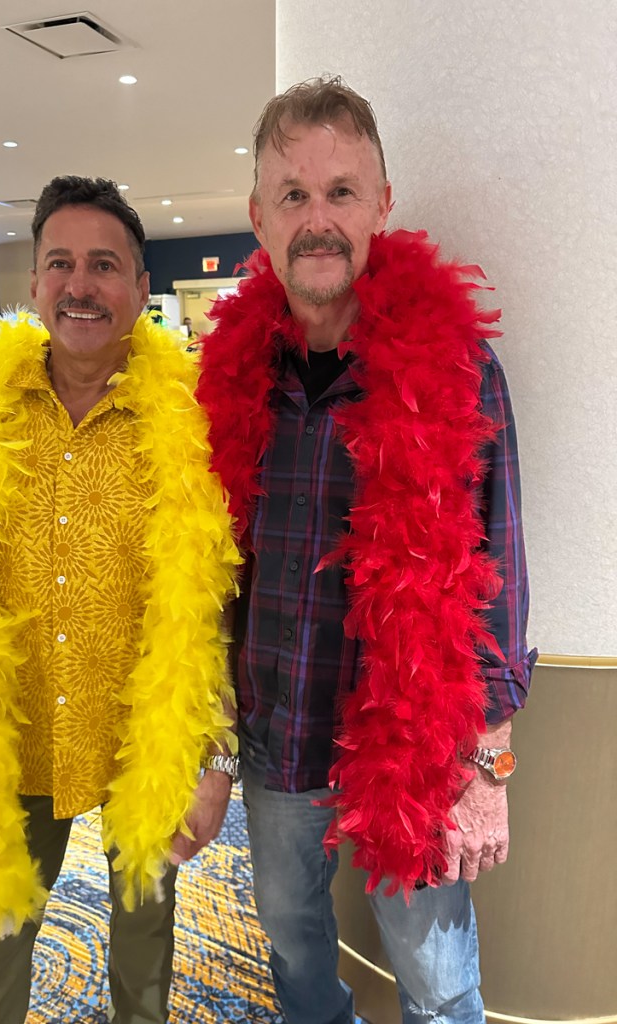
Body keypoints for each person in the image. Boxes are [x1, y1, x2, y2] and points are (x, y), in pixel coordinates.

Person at [197, 77, 536, 1024]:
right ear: (257, 214)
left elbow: (498, 583)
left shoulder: (461, 371)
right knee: (293, 949)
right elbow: (210, 569)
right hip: (274, 738)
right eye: (293, 195)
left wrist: (487, 771)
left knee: (439, 987)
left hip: (417, 754)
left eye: (341, 191)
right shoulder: (227, 378)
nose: (317, 220)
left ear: (382, 204)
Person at [0, 176, 240, 1024]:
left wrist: (214, 757)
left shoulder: (198, 423)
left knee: (146, 950)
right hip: (9, 735)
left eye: (104, 265)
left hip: (145, 738)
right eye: (60, 263)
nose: (80, 285)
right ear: (33, 283)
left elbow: (218, 604)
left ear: (142, 290)